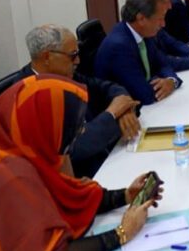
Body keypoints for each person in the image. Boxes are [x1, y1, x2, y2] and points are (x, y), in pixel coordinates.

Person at [0, 75, 164, 251]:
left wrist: (124, 196)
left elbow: (66, 196)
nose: (81, 131)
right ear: (42, 123)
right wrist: (122, 233)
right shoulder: (10, 178)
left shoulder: (19, 148)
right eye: (73, 126)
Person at [12, 24, 141, 177]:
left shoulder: (64, 74)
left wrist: (123, 107)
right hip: (80, 174)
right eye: (72, 55)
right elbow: (74, 149)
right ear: (47, 57)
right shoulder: (29, 98)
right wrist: (112, 113)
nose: (78, 61)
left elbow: (106, 87)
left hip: (105, 155)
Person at [96, 0, 182, 105]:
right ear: (141, 19)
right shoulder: (119, 47)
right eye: (160, 19)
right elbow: (144, 95)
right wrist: (164, 83)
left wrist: (171, 81)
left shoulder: (144, 32)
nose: (163, 24)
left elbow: (162, 64)